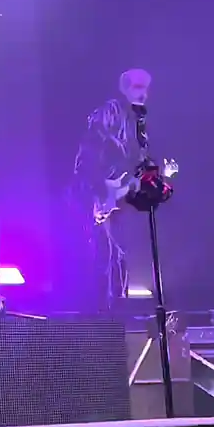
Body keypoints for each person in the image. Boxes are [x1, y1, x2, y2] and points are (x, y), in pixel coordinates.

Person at [68, 68, 151, 312]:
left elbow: (133, 162)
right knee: (101, 256)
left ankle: (117, 313)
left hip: (116, 200)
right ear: (124, 88)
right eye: (137, 87)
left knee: (118, 256)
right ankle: (99, 316)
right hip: (94, 193)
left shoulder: (139, 121)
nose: (143, 94)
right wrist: (99, 189)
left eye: (145, 88)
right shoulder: (110, 113)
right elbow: (90, 151)